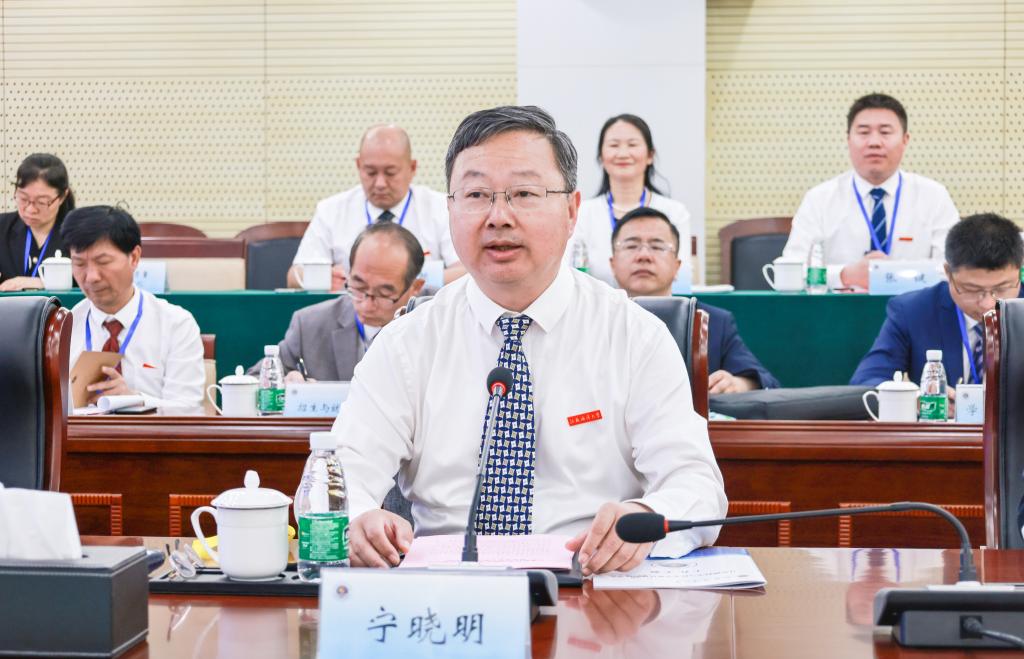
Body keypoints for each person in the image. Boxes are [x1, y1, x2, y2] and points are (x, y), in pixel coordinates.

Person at [332, 105, 726, 575]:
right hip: (445, 592)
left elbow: (697, 484)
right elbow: (337, 475)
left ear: (572, 211)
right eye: (476, 194)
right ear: (450, 210)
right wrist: (356, 518)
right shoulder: (407, 343)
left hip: (592, 588)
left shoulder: (633, 336)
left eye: (524, 193)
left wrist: (644, 516)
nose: (499, 217)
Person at [782, 93, 960, 290]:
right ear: (848, 139)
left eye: (885, 132)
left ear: (905, 140)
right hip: (840, 307)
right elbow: (790, 271)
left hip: (914, 307)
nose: (874, 142)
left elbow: (954, 270)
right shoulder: (819, 199)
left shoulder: (934, 196)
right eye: (864, 132)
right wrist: (844, 275)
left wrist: (892, 276)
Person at [609, 207, 780, 392]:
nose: (644, 256)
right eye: (631, 246)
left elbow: (767, 384)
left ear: (677, 266)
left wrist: (739, 384)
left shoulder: (713, 321)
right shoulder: (594, 317)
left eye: (657, 247)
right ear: (612, 264)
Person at [850, 213, 1023, 388]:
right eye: (972, 289)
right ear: (948, 273)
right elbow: (867, 382)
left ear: (1019, 271)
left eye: (1001, 289)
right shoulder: (913, 311)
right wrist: (917, 398)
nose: (988, 304)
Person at [63, 206, 205, 411]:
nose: (91, 276)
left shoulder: (176, 325)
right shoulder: (62, 328)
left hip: (152, 433)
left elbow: (188, 410)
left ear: (135, 257)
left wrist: (135, 401)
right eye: (79, 264)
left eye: (103, 262)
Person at [288, 124, 463, 290]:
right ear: (358, 165)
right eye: (370, 172)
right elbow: (294, 276)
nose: (380, 183)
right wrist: (323, 279)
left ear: (412, 168)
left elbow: (465, 271)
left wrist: (408, 281)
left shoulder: (441, 208)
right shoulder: (331, 210)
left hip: (420, 308)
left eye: (390, 173)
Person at [249, 223, 425, 382]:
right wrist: (285, 385)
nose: (366, 305)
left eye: (383, 294)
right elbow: (255, 380)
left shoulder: (433, 325)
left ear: (415, 287)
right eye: (359, 287)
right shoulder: (311, 325)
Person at [565, 114, 690, 288]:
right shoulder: (582, 213)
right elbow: (571, 275)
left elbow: (682, 280)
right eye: (614, 145)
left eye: (632, 145)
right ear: (601, 157)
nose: (623, 154)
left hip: (656, 304)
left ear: (650, 155)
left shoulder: (674, 212)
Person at [0, 154, 75, 291]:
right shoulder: (2, 227)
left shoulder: (79, 233)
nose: (30, 209)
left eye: (41, 202)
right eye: (23, 198)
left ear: (62, 196)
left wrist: (45, 283)